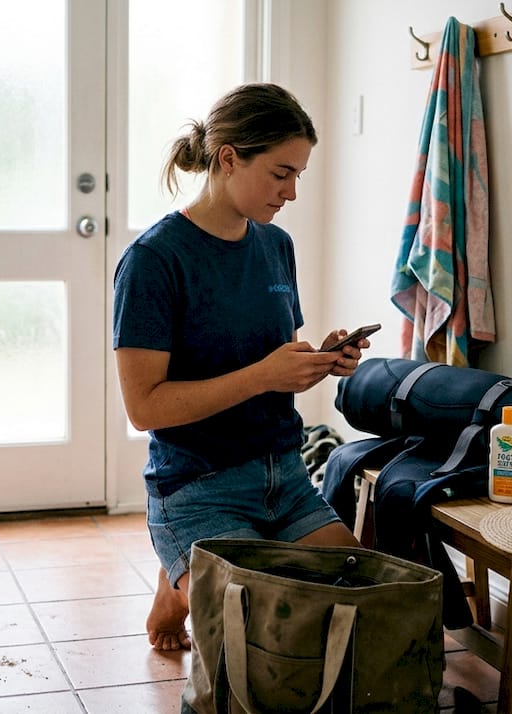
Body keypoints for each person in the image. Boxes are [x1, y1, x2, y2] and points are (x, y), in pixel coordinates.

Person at [112, 83, 369, 651]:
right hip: (198, 487)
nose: (292, 192)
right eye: (281, 173)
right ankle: (179, 575)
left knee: (362, 604)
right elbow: (144, 407)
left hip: (285, 476)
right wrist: (264, 376)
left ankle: (183, 576)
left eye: (298, 175)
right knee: (259, 638)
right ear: (228, 158)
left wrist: (321, 360)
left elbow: (276, 359)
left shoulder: (276, 245)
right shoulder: (154, 261)